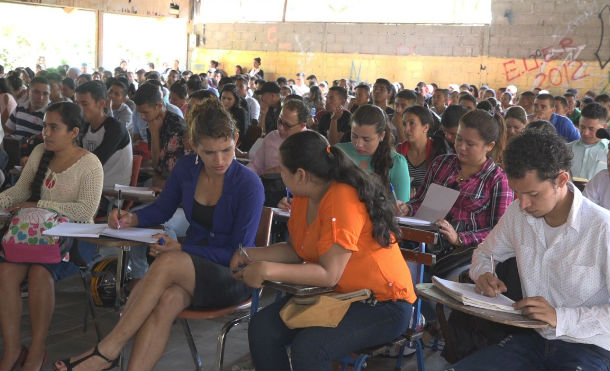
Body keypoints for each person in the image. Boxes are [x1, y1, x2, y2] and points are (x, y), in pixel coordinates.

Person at [54, 98, 264, 371]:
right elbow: (162, 209)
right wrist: (134, 218)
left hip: (233, 276)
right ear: (194, 145)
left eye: (227, 150)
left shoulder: (249, 184)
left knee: (167, 262)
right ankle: (116, 359)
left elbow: (239, 255)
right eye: (210, 152)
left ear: (236, 139)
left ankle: (107, 350)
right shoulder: (188, 168)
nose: (220, 160)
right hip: (193, 270)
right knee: (167, 300)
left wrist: (183, 250)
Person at [236, 130, 416, 371]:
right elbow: (297, 249)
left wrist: (266, 269)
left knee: (310, 348)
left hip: (382, 304)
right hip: (338, 295)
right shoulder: (304, 195)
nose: (279, 174)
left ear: (301, 174)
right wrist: (249, 255)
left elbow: (329, 273)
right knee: (263, 328)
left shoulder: (343, 196)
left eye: (282, 169)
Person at [448, 130, 610, 371]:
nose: (523, 204)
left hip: (588, 344)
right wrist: (483, 274)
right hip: (533, 338)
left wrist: (560, 317)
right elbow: (484, 253)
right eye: (518, 193)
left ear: (562, 180)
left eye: (533, 194)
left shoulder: (602, 228)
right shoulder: (517, 214)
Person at [0, 102, 103, 371]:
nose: (45, 132)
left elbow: (85, 211)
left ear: (74, 131)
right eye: (45, 125)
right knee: (6, 273)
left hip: (77, 238)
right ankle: (12, 348)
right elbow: (20, 191)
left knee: (38, 272)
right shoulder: (39, 152)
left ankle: (36, 350)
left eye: (53, 127)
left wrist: (40, 206)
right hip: (35, 235)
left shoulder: (90, 163)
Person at [403, 109, 513, 268]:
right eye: (458, 139)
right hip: (423, 243)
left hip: (464, 258)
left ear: (489, 146)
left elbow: (500, 233)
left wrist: (460, 238)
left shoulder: (497, 180)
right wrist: (406, 209)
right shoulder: (441, 163)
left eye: (470, 144)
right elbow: (419, 201)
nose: (461, 147)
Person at [335, 104, 410, 203]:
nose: (359, 144)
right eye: (354, 136)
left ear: (381, 136)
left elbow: (402, 205)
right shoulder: (339, 152)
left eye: (366, 139)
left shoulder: (396, 162)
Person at [248, 99, 308, 207]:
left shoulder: (311, 143)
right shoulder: (272, 137)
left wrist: (278, 170)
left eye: (287, 125)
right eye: (279, 121)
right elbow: (256, 166)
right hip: (267, 190)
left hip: (295, 197)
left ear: (302, 125)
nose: (280, 128)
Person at [396, 105, 445, 196]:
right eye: (404, 124)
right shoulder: (398, 152)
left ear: (426, 127)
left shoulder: (438, 152)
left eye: (412, 123)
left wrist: (416, 194)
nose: (406, 129)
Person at [567, 102, 609, 180]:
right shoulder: (566, 149)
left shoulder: (608, 151)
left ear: (604, 127)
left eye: (591, 129)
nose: (585, 133)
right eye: (582, 127)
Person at [220, 84, 249, 148]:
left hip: (237, 145)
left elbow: (242, 135)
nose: (225, 101)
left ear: (235, 100)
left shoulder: (241, 113)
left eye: (229, 99)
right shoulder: (218, 111)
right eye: (223, 98)